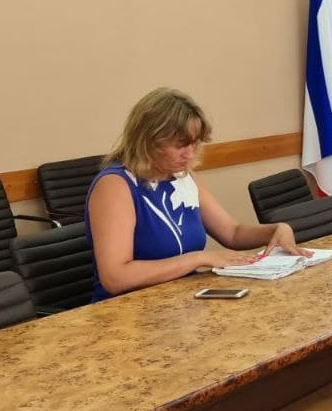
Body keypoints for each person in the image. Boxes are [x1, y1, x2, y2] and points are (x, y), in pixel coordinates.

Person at [85, 87, 309, 302]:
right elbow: (115, 277)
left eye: (193, 143)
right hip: (125, 313)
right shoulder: (115, 185)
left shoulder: (181, 176)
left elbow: (232, 232)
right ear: (148, 141)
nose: (190, 154)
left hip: (181, 302)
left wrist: (276, 230)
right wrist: (199, 258)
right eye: (180, 145)